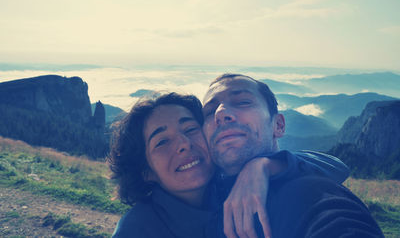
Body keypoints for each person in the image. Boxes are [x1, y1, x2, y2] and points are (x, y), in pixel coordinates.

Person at [109, 92, 351, 238]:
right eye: (162, 141)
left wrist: (263, 166)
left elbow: (336, 167)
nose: (183, 144)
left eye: (191, 129)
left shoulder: (229, 187)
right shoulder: (138, 228)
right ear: (146, 171)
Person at [202, 73, 384, 238]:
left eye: (242, 102)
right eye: (210, 112)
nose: (221, 113)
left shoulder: (309, 194)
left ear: (278, 125)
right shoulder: (199, 194)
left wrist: (265, 165)